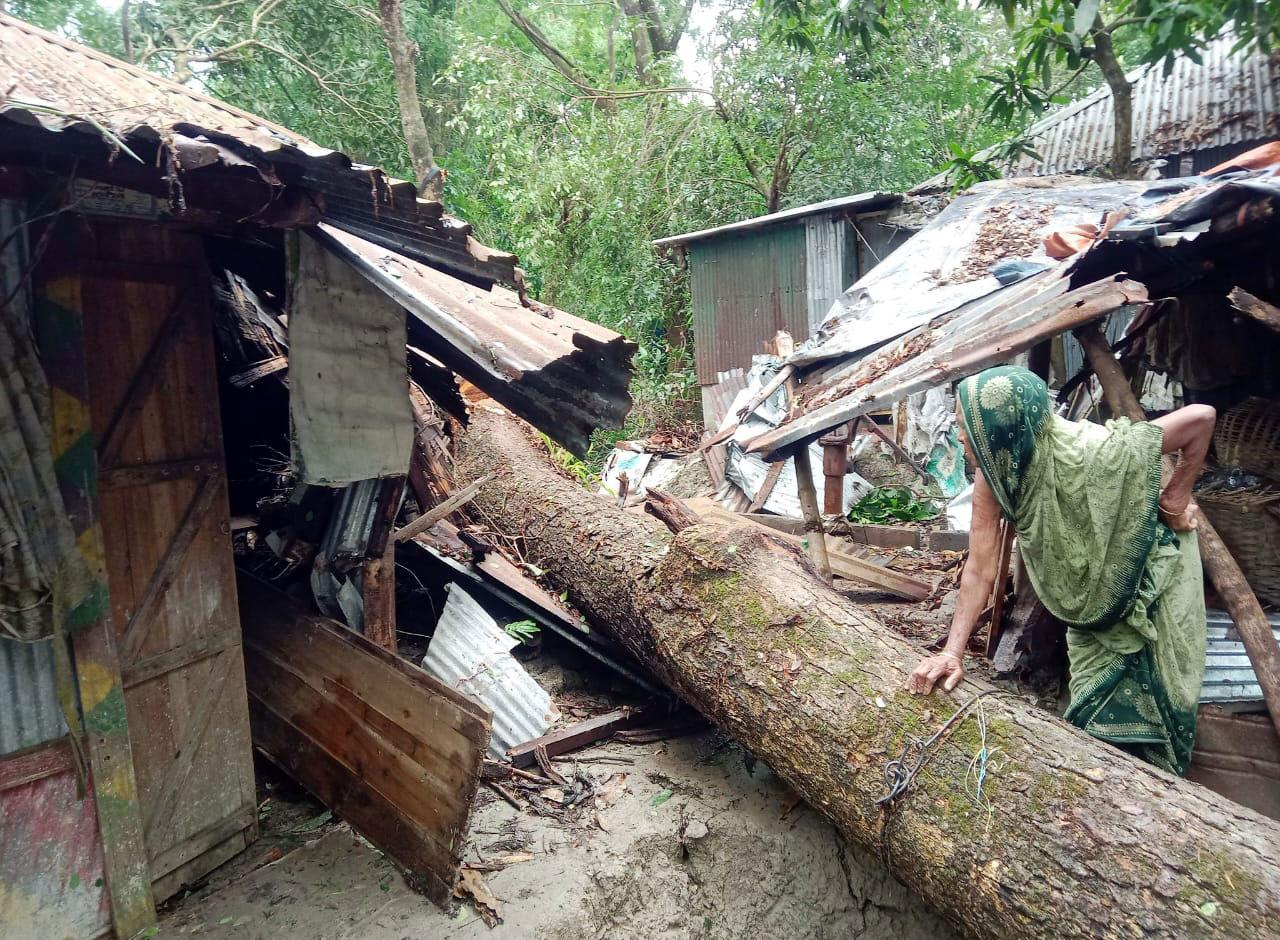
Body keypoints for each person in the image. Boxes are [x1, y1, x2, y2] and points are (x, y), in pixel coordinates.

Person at [907, 365, 1215, 775]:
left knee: (1163, 692)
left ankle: (1164, 789)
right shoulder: (995, 476)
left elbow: (1202, 418)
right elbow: (980, 568)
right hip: (1088, 603)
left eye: (968, 427)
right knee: (1093, 706)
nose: (961, 437)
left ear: (1006, 429)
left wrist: (1174, 500)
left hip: (1152, 581)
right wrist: (952, 652)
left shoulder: (1096, 449)